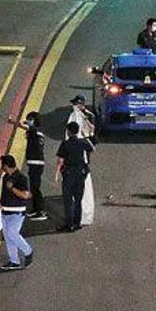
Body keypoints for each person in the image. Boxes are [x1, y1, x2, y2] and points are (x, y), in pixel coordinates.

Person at [55, 122, 94, 232]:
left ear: (68, 131)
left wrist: (57, 173)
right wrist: (85, 136)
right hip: (80, 174)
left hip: (69, 174)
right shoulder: (82, 142)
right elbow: (92, 148)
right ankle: (77, 223)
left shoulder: (65, 144)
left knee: (68, 200)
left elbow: (60, 160)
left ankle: (69, 224)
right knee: (78, 200)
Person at [0, 155, 33, 271]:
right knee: (8, 238)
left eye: (2, 165)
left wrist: (12, 188)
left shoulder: (21, 178)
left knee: (12, 233)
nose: (1, 168)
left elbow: (25, 195)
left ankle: (28, 251)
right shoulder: (5, 178)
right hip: (5, 212)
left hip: (17, 213)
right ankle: (14, 261)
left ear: (6, 166)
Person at [67, 95, 95, 226]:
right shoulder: (78, 116)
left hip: (78, 163)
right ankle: (79, 218)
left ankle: (76, 218)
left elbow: (91, 135)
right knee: (80, 193)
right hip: (82, 161)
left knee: (77, 194)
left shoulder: (85, 117)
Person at [20, 111, 48, 221]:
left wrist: (14, 121)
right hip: (34, 163)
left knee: (35, 188)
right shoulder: (36, 132)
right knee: (33, 187)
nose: (28, 121)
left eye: (30, 119)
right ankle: (35, 209)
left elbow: (25, 127)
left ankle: (40, 211)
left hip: (36, 163)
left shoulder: (36, 131)